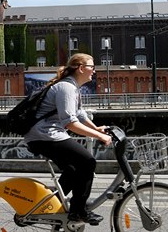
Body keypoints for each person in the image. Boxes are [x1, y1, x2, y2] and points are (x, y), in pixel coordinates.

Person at [24, 53, 112, 225]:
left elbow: (79, 114)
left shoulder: (72, 87)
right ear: (80, 68)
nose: (94, 70)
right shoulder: (66, 88)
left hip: (49, 134)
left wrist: (96, 128)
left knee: (74, 169)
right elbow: (70, 123)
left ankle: (52, 205)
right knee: (87, 161)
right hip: (44, 135)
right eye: (91, 67)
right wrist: (99, 136)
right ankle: (78, 211)